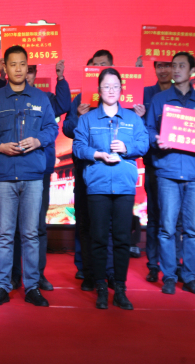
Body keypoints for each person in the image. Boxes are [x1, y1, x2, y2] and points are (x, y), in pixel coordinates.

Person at [0, 45, 57, 307]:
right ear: (4, 67)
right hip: (4, 176)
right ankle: (2, 286)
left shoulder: (40, 98)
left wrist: (38, 140)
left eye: (23, 64)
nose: (19, 69)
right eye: (13, 64)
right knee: (4, 234)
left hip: (33, 176)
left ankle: (32, 287)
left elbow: (52, 128)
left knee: (31, 234)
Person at [146, 52, 195, 297]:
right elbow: (148, 129)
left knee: (191, 230)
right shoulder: (159, 99)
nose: (176, 69)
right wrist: (156, 139)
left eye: (181, 65)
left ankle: (189, 277)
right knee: (167, 228)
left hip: (194, 173)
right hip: (167, 171)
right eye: (174, 65)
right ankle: (169, 276)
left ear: (191, 70)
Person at [73, 68, 149, 310]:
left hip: (125, 186)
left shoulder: (132, 119)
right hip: (97, 185)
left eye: (115, 86)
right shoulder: (87, 119)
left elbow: (144, 143)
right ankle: (101, 287)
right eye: (106, 86)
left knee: (122, 238)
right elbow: (78, 147)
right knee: (97, 238)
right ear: (99, 90)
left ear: (121, 89)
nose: (111, 90)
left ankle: (121, 288)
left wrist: (127, 148)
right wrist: (97, 154)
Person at [0, 60, 71, 291]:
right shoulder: (3, 97)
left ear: (35, 73)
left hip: (40, 170)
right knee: (11, 229)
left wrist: (60, 78)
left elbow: (64, 104)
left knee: (36, 227)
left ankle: (36, 275)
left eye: (30, 70)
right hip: (10, 170)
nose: (25, 73)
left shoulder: (43, 98)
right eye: (19, 67)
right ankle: (14, 275)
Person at [63, 50, 116, 292]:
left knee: (109, 225)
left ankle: (109, 272)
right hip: (85, 171)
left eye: (103, 65)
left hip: (112, 172)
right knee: (84, 223)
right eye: (95, 66)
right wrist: (79, 117)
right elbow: (67, 129)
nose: (99, 69)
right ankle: (86, 270)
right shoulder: (80, 99)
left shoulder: (118, 97)